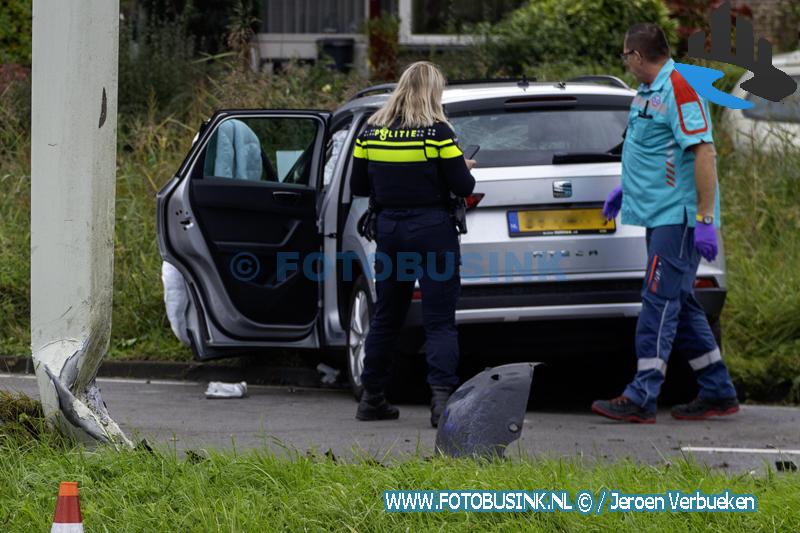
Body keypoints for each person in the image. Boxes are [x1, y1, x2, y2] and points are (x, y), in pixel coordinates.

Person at [591, 23, 739, 423]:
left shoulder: (680, 89)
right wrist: (626, 190)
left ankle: (642, 394)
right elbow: (650, 149)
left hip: (679, 217)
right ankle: (717, 390)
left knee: (657, 303)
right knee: (682, 302)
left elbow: (703, 152)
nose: (625, 62)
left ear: (637, 56)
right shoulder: (647, 92)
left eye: (626, 55)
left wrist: (705, 219)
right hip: (657, 214)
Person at [350, 61, 476, 427]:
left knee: (386, 316)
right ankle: (440, 404)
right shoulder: (437, 133)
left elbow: (359, 186)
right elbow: (463, 187)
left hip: (390, 232)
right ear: (433, 92)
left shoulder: (370, 131)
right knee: (439, 321)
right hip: (433, 231)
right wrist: (463, 166)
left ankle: (371, 398)